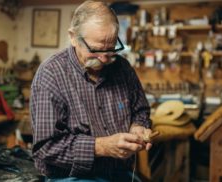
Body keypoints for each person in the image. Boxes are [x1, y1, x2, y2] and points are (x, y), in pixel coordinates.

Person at [30, 1, 152, 181]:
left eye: (111, 49)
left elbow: (140, 110)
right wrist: (101, 146)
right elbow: (46, 147)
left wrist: (139, 127)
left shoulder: (123, 68)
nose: (104, 59)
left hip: (120, 173)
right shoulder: (51, 75)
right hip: (70, 177)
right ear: (73, 37)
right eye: (96, 50)